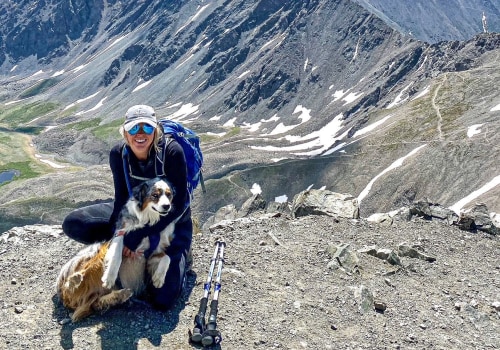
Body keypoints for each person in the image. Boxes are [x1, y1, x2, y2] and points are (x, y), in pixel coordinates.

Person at [62, 104, 192, 310]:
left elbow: (180, 204)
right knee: (74, 224)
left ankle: (182, 254)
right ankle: (115, 256)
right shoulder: (119, 154)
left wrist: (140, 235)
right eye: (133, 129)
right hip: (133, 213)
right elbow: (121, 198)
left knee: (163, 300)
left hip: (171, 222)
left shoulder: (172, 152)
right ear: (125, 132)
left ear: (156, 130)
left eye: (147, 128)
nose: (140, 134)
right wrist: (120, 236)